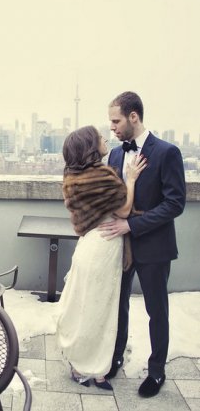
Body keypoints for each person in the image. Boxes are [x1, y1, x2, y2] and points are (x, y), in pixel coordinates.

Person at [99, 91, 186, 398]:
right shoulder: (115, 154)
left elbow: (175, 204)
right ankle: (115, 356)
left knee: (156, 309)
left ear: (133, 117)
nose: (112, 127)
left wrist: (132, 224)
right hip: (120, 245)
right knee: (117, 304)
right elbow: (114, 196)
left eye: (116, 120)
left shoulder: (167, 152)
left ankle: (157, 370)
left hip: (154, 245)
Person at [56, 125, 146, 390]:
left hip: (89, 246)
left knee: (86, 307)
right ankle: (95, 370)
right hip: (105, 248)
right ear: (90, 147)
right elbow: (124, 210)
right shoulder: (100, 177)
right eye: (99, 138)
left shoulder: (73, 177)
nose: (105, 138)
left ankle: (84, 365)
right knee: (101, 311)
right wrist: (130, 179)